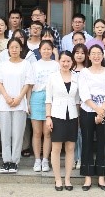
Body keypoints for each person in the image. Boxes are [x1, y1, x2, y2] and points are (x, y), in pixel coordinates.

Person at [78, 44, 105, 190]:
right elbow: (84, 93)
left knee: (103, 142)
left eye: (99, 53)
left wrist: (102, 109)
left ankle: (101, 176)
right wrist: (96, 109)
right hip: (87, 109)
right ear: (89, 56)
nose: (96, 56)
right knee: (87, 141)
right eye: (93, 53)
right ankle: (87, 177)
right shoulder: (84, 72)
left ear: (103, 55)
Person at [0, 38, 35, 174]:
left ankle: (14, 162)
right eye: (11, 47)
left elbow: (28, 83)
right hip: (4, 103)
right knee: (5, 133)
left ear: (21, 49)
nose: (14, 50)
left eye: (16, 47)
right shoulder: (3, 65)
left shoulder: (26, 64)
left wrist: (19, 98)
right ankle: (6, 161)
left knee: (18, 134)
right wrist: (7, 97)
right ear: (8, 49)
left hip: (20, 103)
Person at [46, 51, 80, 191]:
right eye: (63, 61)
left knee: (70, 148)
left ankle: (67, 179)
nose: (65, 64)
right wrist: (48, 117)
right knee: (56, 148)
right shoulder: (52, 77)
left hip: (72, 116)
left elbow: (77, 100)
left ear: (72, 62)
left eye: (68, 61)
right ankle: (58, 179)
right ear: (59, 62)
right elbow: (48, 99)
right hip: (56, 115)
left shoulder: (77, 77)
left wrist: (78, 118)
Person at [31, 40, 59, 173]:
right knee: (37, 132)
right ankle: (37, 159)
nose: (46, 51)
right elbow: (29, 84)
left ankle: (45, 160)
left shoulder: (56, 65)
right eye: (44, 49)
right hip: (36, 97)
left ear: (52, 50)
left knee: (47, 132)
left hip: (51, 98)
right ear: (39, 50)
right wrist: (27, 102)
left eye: (49, 49)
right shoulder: (34, 65)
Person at [71, 43, 88, 170]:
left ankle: (82, 158)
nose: (79, 55)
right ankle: (73, 158)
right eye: (77, 52)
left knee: (82, 132)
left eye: (82, 53)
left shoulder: (88, 70)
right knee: (73, 132)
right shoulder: (69, 69)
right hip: (71, 104)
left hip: (85, 105)